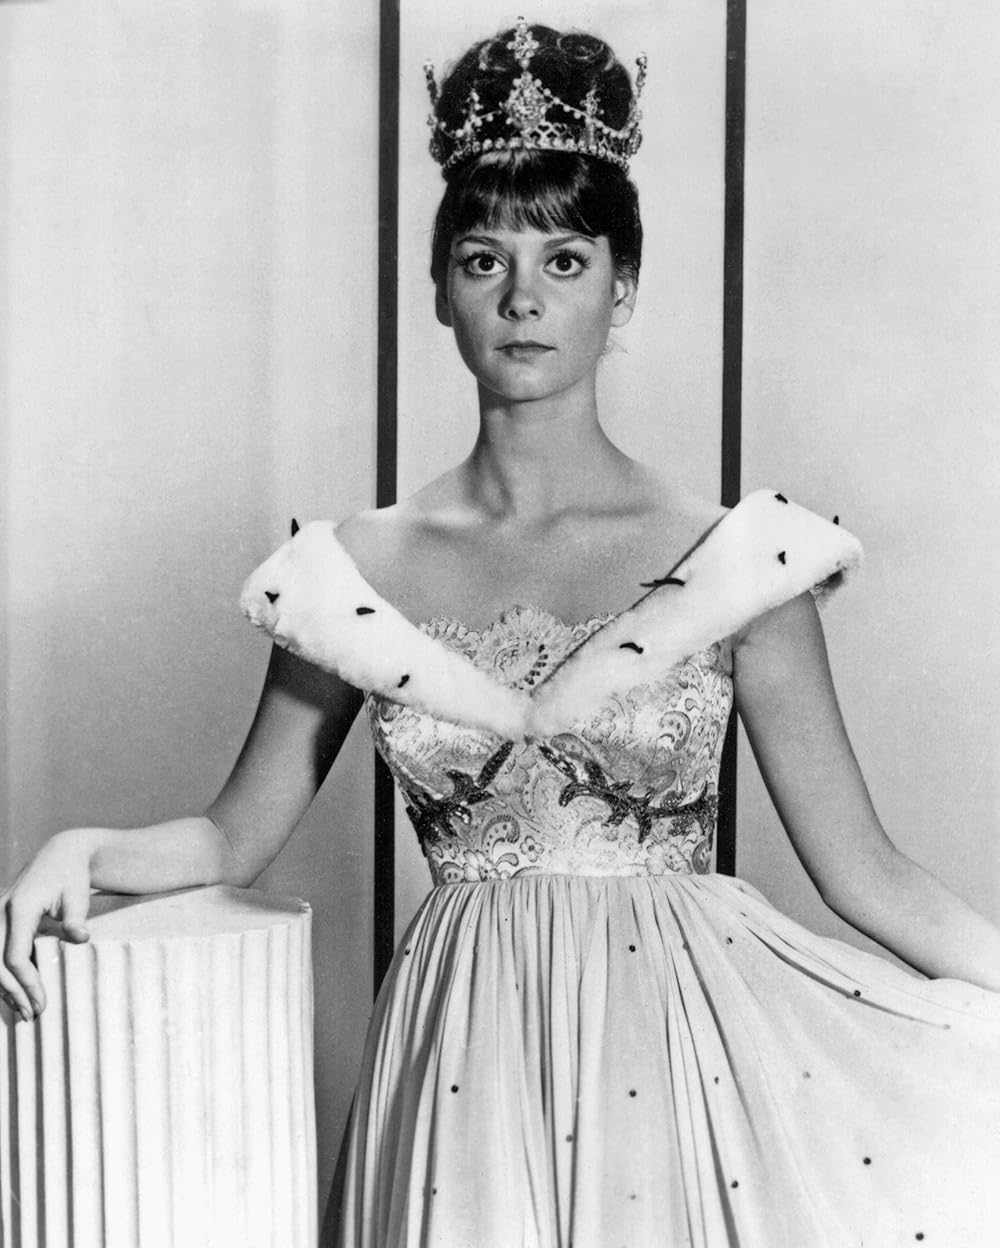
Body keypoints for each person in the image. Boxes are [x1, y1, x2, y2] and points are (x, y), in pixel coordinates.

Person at [3, 17, 1000, 1247]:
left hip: (675, 1056)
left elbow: (866, 874)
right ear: (441, 289)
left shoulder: (740, 564)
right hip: (457, 1059)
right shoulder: (349, 572)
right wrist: (85, 849)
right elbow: (232, 836)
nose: (523, 298)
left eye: (565, 260)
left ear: (622, 287)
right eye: (484, 260)